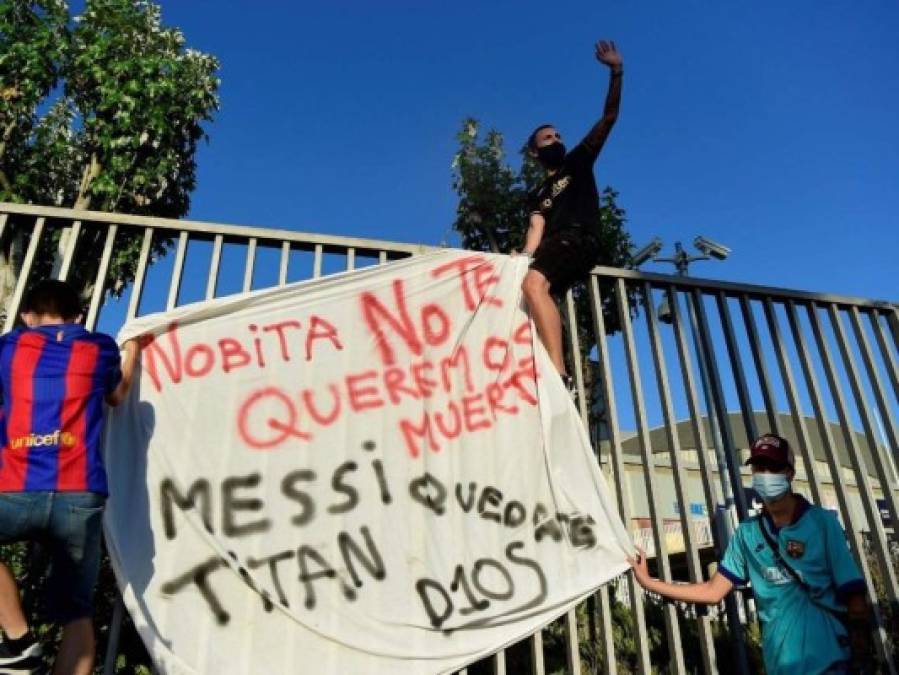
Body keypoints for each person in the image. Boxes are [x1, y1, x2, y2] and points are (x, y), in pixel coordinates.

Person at [629, 433, 873, 674]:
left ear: (789, 473)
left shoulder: (821, 523)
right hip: (781, 666)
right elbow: (713, 591)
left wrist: (862, 654)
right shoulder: (747, 534)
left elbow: (853, 594)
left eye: (773, 467)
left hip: (832, 662)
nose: (765, 475)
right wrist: (650, 583)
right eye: (759, 467)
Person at [0, 280, 140, 675]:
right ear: (79, 316)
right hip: (80, 491)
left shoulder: (9, 347)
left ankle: (20, 642)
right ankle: (21, 648)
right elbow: (117, 395)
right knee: (77, 613)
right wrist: (133, 353)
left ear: (28, 316)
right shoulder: (98, 347)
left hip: (14, 486)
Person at [518, 40, 623, 391]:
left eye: (558, 135)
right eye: (548, 138)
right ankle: (549, 364)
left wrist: (616, 72)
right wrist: (521, 257)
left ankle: (558, 375)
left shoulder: (577, 161)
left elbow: (608, 118)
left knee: (534, 283)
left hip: (580, 237)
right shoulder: (537, 194)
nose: (556, 139)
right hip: (557, 245)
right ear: (534, 152)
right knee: (532, 292)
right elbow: (536, 227)